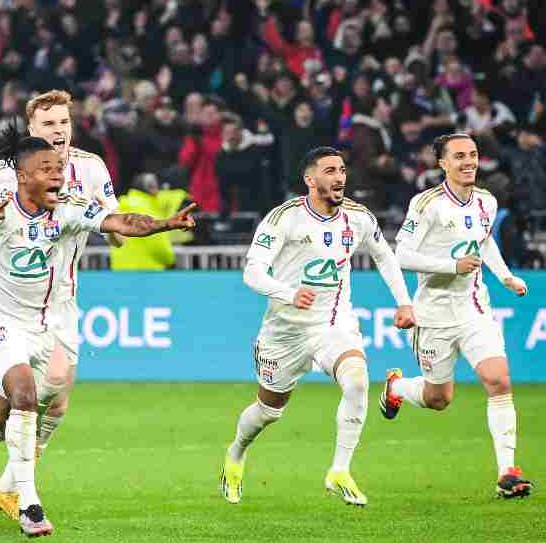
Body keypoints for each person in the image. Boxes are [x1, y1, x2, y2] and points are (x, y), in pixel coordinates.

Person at [0, 129, 196, 536]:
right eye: (46, 169)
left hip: (46, 325)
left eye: (59, 168)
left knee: (27, 405)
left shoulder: (69, 207)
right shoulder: (1, 199)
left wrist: (163, 224)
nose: (58, 175)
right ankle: (28, 504)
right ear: (22, 177)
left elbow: (120, 222)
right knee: (23, 394)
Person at [0, 90, 122, 517]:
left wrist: (111, 225)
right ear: (31, 130)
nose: (58, 130)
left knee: (45, 401)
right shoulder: (11, 172)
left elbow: (114, 227)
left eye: (63, 122)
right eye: (48, 124)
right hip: (7, 307)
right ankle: (15, 491)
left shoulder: (93, 169)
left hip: (61, 303)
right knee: (36, 398)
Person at [220, 147, 415, 507]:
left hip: (332, 322)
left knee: (356, 379)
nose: (339, 177)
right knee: (268, 411)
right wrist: (288, 293)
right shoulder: (284, 219)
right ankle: (235, 454)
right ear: (311, 180)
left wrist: (404, 301)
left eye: (342, 169)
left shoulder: (357, 218)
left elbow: (384, 256)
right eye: (329, 171)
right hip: (284, 331)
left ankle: (339, 471)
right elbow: (252, 272)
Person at [380, 133, 533, 499]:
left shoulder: (487, 202)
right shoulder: (427, 204)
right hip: (433, 316)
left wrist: (505, 276)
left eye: (473, 155)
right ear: (442, 164)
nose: (469, 162)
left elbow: (484, 240)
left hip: (474, 309)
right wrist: (452, 265)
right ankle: (397, 387)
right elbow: (401, 254)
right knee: (439, 399)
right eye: (459, 156)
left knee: (498, 380)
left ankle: (507, 472)